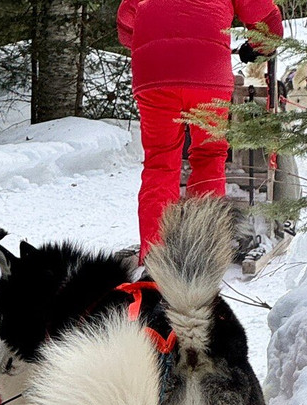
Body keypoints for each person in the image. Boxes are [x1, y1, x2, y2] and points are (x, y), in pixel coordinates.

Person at [118, 0, 283, 263]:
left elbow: (126, 24)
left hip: (153, 75)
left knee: (159, 165)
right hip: (207, 74)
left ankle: (154, 256)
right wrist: (255, 48)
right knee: (208, 156)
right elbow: (268, 20)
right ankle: (202, 253)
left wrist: (157, 39)